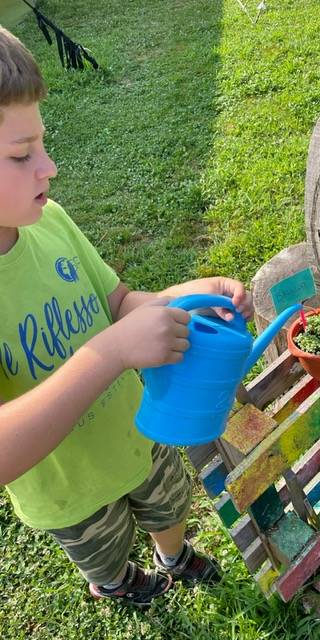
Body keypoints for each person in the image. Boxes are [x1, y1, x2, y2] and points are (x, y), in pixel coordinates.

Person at [0, 26, 252, 608]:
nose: (50, 167)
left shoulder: (52, 222)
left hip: (142, 433)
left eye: (41, 143)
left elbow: (118, 305)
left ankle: (174, 554)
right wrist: (112, 351)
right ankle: (118, 582)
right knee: (106, 550)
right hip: (71, 494)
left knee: (169, 504)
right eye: (22, 155)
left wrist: (184, 298)